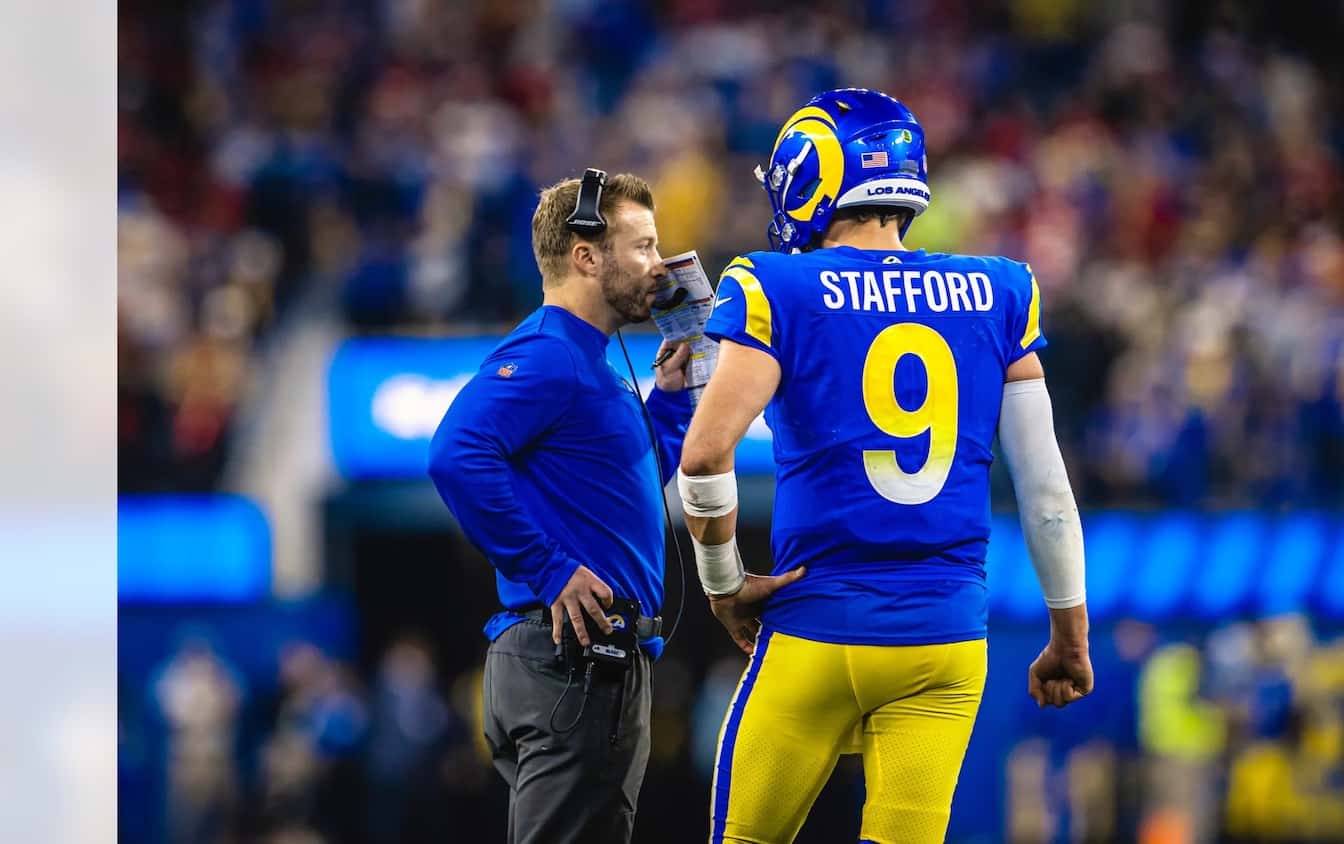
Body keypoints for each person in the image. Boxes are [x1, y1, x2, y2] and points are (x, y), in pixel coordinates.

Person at [676, 88, 1095, 844]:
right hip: (945, 640)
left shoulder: (776, 285)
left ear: (812, 178)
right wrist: (1070, 637)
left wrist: (724, 586)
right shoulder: (999, 288)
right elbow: (1047, 491)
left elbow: (704, 457)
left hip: (818, 629)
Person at [427, 169, 693, 844]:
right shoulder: (549, 355)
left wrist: (669, 396)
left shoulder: (594, 365)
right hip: (569, 663)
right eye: (642, 246)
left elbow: (627, 487)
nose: (658, 265)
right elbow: (456, 454)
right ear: (586, 255)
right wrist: (548, 569)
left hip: (577, 668)